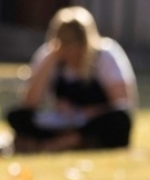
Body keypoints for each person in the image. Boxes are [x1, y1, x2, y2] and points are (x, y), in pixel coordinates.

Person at [7, 7, 136, 152]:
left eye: (75, 44)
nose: (70, 52)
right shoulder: (49, 56)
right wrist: (50, 61)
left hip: (93, 122)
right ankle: (68, 141)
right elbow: (29, 103)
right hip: (62, 123)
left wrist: (84, 112)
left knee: (120, 120)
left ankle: (62, 143)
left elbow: (122, 103)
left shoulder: (105, 55)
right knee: (17, 116)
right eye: (65, 44)